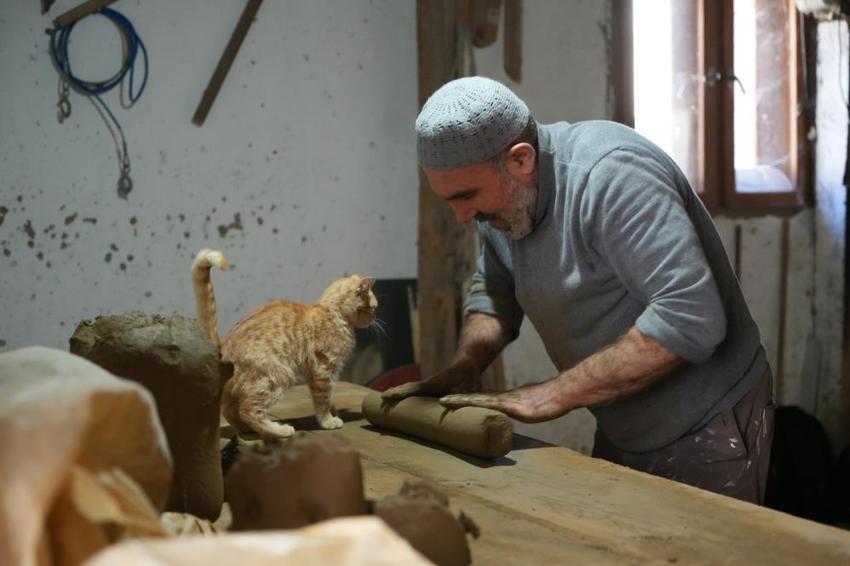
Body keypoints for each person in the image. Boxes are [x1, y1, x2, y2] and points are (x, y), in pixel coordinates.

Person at [383, 76, 774, 504]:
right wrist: (464, 366)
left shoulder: (610, 175)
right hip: (619, 420)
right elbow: (495, 289)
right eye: (448, 201)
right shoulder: (503, 206)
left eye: (467, 195)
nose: (461, 216)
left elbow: (691, 318)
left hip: (707, 422)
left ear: (520, 160)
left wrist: (550, 395)